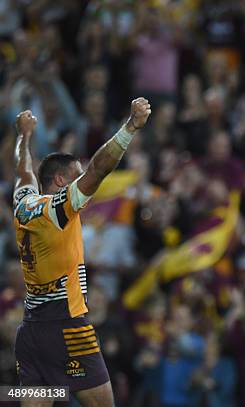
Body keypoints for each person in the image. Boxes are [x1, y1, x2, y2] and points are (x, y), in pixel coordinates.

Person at [12, 98, 152, 407]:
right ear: (61, 182)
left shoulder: (23, 202)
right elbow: (99, 169)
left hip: (31, 331)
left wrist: (24, 135)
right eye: (76, 176)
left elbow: (23, 169)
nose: (83, 187)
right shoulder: (57, 208)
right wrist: (130, 128)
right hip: (67, 326)